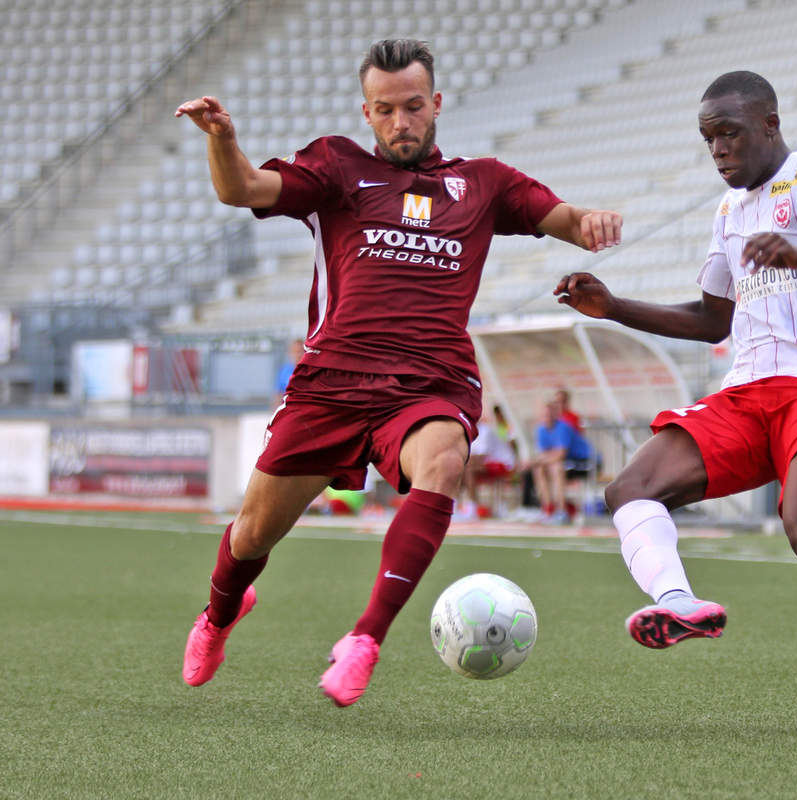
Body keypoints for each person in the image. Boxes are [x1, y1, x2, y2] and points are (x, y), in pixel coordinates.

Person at [173, 38, 622, 707]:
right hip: (333, 382)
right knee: (252, 535)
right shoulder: (336, 169)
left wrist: (591, 223)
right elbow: (242, 188)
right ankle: (219, 614)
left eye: (413, 106)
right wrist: (223, 139)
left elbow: (566, 219)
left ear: (436, 103)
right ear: (367, 112)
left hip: (428, 383)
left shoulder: (485, 184)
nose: (401, 122)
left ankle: (365, 638)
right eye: (385, 110)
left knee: (443, 459)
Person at [554, 70, 797, 731]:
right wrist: (614, 307)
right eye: (708, 138)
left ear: (770, 125)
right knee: (631, 487)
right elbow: (714, 319)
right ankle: (676, 600)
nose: (719, 149)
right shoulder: (728, 213)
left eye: (730, 134)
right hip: (747, 391)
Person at [529, 400, 596, 523]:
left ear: (555, 415)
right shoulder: (541, 430)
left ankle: (562, 510)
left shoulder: (563, 427)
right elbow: (544, 454)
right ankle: (548, 508)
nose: (547, 418)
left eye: (549, 415)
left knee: (556, 467)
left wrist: (539, 461)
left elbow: (561, 454)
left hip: (582, 461)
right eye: (544, 415)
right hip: (565, 462)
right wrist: (536, 462)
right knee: (539, 469)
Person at [458, 416, 517, 520]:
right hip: (487, 464)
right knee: (460, 470)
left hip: (503, 463)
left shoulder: (485, 430)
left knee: (467, 470)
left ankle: (473, 507)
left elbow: (480, 457)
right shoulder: (467, 432)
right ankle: (459, 506)